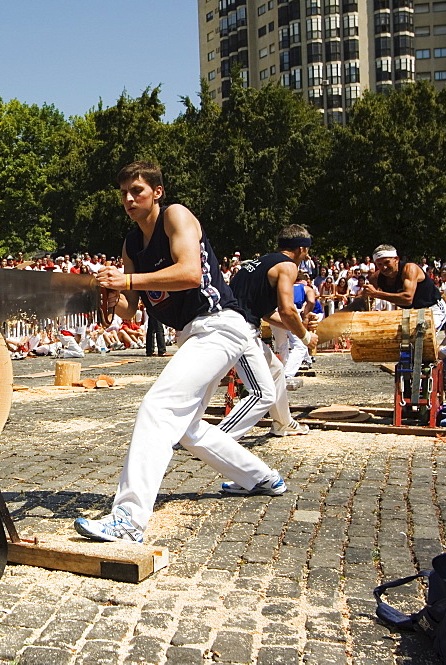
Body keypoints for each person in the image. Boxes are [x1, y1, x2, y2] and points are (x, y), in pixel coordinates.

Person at [73, 161, 287, 545]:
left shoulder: (176, 216)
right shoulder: (131, 243)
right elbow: (130, 308)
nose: (128, 199)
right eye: (123, 192)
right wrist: (109, 296)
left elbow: (190, 272)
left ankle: (129, 518)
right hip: (194, 334)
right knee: (186, 428)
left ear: (156, 192)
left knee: (158, 408)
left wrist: (128, 279)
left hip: (221, 323)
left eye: (136, 190)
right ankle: (259, 477)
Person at [217, 226, 317, 440]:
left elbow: (268, 314)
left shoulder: (261, 262)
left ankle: (283, 423)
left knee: (276, 369)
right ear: (301, 249)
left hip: (233, 324)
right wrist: (306, 337)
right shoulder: (288, 266)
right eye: (307, 252)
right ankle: (217, 439)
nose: (307, 256)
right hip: (238, 330)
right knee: (262, 394)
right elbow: (287, 310)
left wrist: (298, 327)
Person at [363, 244, 446, 329]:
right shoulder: (376, 278)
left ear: (396, 259)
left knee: (425, 338)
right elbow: (362, 297)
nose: (384, 267)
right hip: (410, 312)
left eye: (387, 262)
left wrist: (376, 294)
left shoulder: (409, 269)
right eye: (379, 264)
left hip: (432, 308)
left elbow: (407, 299)